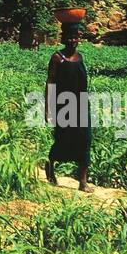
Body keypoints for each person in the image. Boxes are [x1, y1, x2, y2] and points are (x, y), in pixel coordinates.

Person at [45, 23, 91, 192]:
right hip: (63, 104)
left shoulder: (80, 57)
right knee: (63, 139)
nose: (72, 41)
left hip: (81, 104)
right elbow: (50, 82)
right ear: (63, 39)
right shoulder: (57, 57)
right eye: (69, 37)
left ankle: (83, 181)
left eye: (75, 37)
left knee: (85, 140)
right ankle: (50, 167)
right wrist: (48, 107)